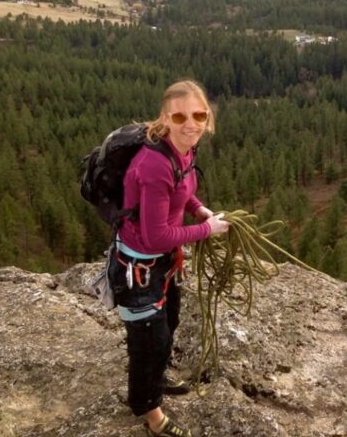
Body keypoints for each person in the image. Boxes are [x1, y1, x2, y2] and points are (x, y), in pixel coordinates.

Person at [109, 80, 229, 437]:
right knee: (150, 343)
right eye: (180, 116)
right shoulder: (153, 164)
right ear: (165, 117)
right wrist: (209, 230)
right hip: (139, 269)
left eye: (199, 115)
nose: (190, 123)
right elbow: (155, 234)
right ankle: (151, 414)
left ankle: (155, 380)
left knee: (168, 324)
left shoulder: (183, 151)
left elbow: (183, 190)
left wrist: (200, 210)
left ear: (208, 117)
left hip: (162, 263)